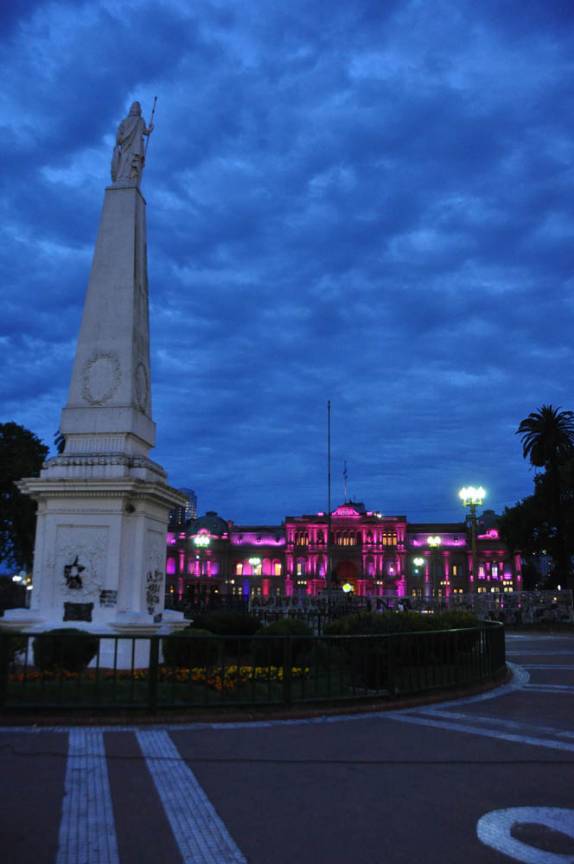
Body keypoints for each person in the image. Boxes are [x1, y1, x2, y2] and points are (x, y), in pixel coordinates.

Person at [111, 101, 154, 185]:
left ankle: (121, 179)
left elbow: (118, 136)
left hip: (126, 147)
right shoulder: (140, 121)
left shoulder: (124, 121)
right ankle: (129, 180)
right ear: (139, 110)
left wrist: (119, 141)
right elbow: (146, 132)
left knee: (124, 161)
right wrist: (151, 128)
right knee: (132, 163)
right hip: (136, 148)